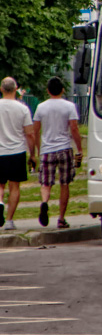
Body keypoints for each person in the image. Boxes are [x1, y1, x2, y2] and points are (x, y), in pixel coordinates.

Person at [32, 77, 82, 229]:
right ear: (62, 90)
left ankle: (44, 202)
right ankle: (61, 218)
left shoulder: (41, 107)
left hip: (47, 150)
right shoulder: (69, 106)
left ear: (47, 91)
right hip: (64, 148)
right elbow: (74, 128)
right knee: (64, 183)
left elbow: (35, 130)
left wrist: (37, 150)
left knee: (45, 182)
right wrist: (79, 149)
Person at [0, 78, 34, 231]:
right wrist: (32, 154)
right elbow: (30, 133)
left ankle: (0, 203)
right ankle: (9, 220)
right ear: (16, 89)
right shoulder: (23, 109)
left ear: (1, 89)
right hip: (16, 151)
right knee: (14, 187)